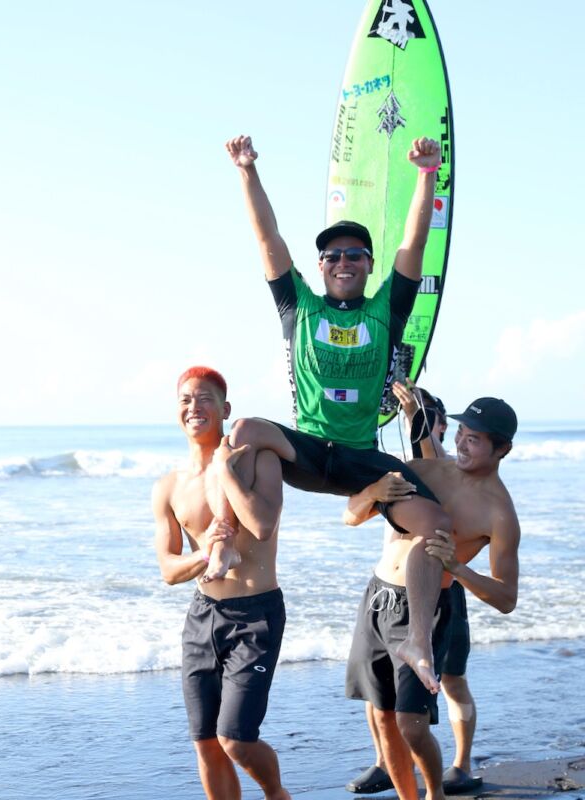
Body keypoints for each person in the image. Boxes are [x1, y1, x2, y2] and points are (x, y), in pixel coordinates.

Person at [216, 132, 451, 693]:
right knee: (246, 430)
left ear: (368, 266)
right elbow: (266, 237)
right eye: (333, 255)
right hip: (307, 451)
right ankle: (235, 537)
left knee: (437, 525)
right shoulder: (299, 306)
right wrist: (247, 170)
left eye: (355, 255)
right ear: (321, 266)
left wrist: (426, 176)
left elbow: (414, 248)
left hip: (361, 460)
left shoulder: (384, 312)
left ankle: (419, 640)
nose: (344, 261)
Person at [343, 396, 520, 800]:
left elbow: (507, 597)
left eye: (473, 439)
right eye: (460, 432)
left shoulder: (500, 514)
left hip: (424, 611)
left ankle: (435, 793)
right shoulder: (424, 470)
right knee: (381, 712)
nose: (460, 443)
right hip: (377, 597)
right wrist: (372, 491)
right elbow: (350, 515)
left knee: (411, 722)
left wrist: (458, 569)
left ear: (502, 449)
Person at [153, 365, 290, 800]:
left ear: (225, 409)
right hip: (203, 616)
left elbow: (264, 525)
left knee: (236, 738)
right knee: (206, 742)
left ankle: (276, 794)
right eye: (186, 400)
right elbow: (169, 570)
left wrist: (227, 473)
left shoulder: (255, 459)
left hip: (256, 615)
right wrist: (202, 551)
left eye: (205, 398)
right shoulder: (170, 487)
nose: (195, 407)